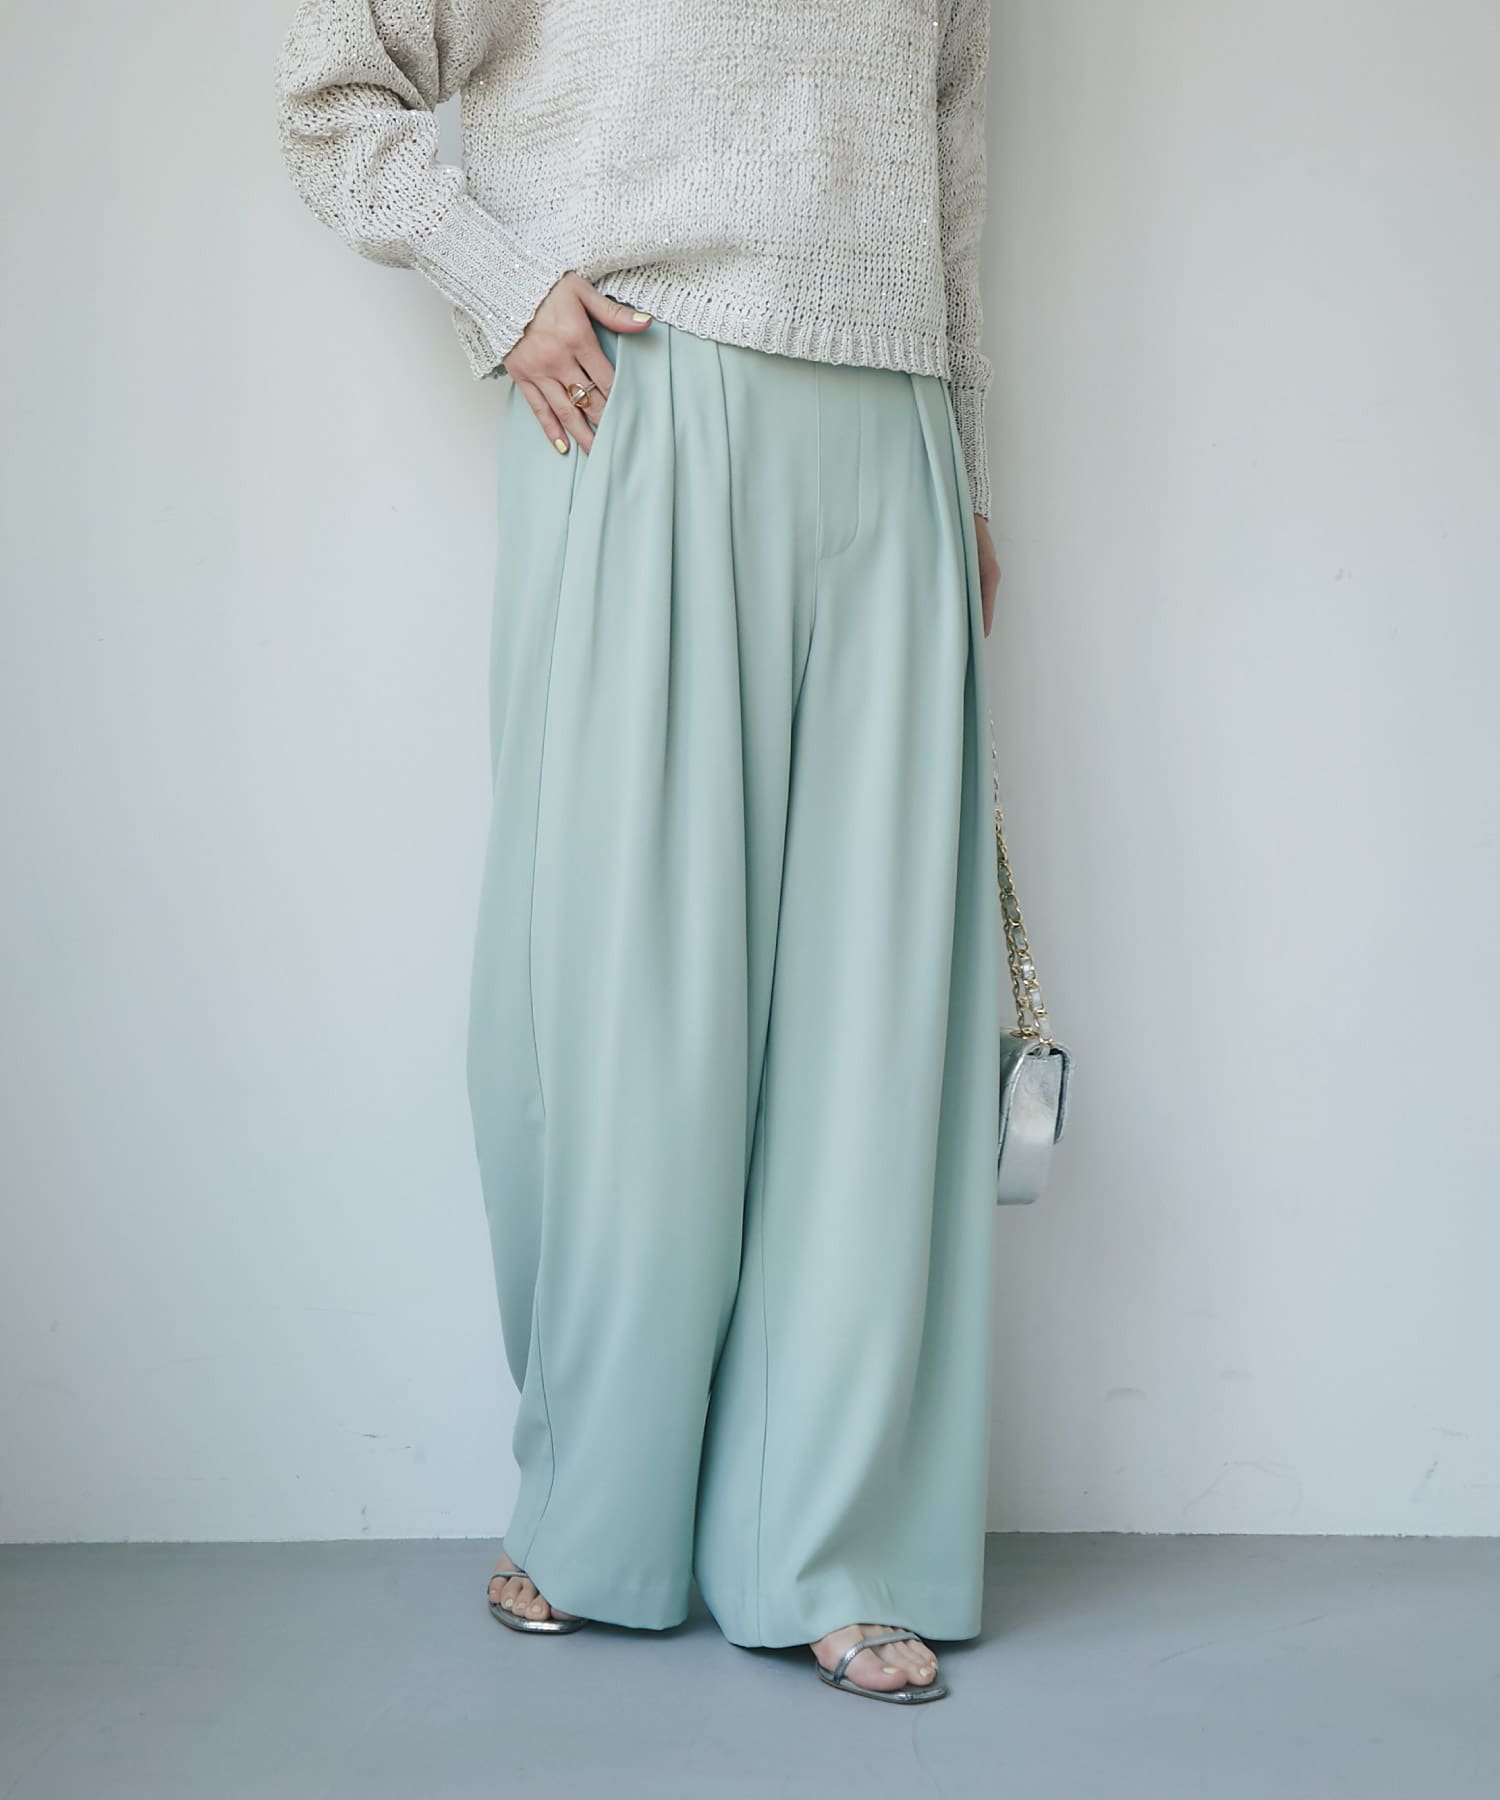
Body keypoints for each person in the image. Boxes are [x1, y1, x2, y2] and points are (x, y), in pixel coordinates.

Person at [273, 0, 1003, 1706]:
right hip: (641, 393)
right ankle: (595, 1509)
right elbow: (333, 80)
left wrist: (969, 464)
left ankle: (832, 1542)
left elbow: (951, 155)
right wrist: (500, 283)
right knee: (622, 996)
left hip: (891, 430)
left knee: (872, 1022)